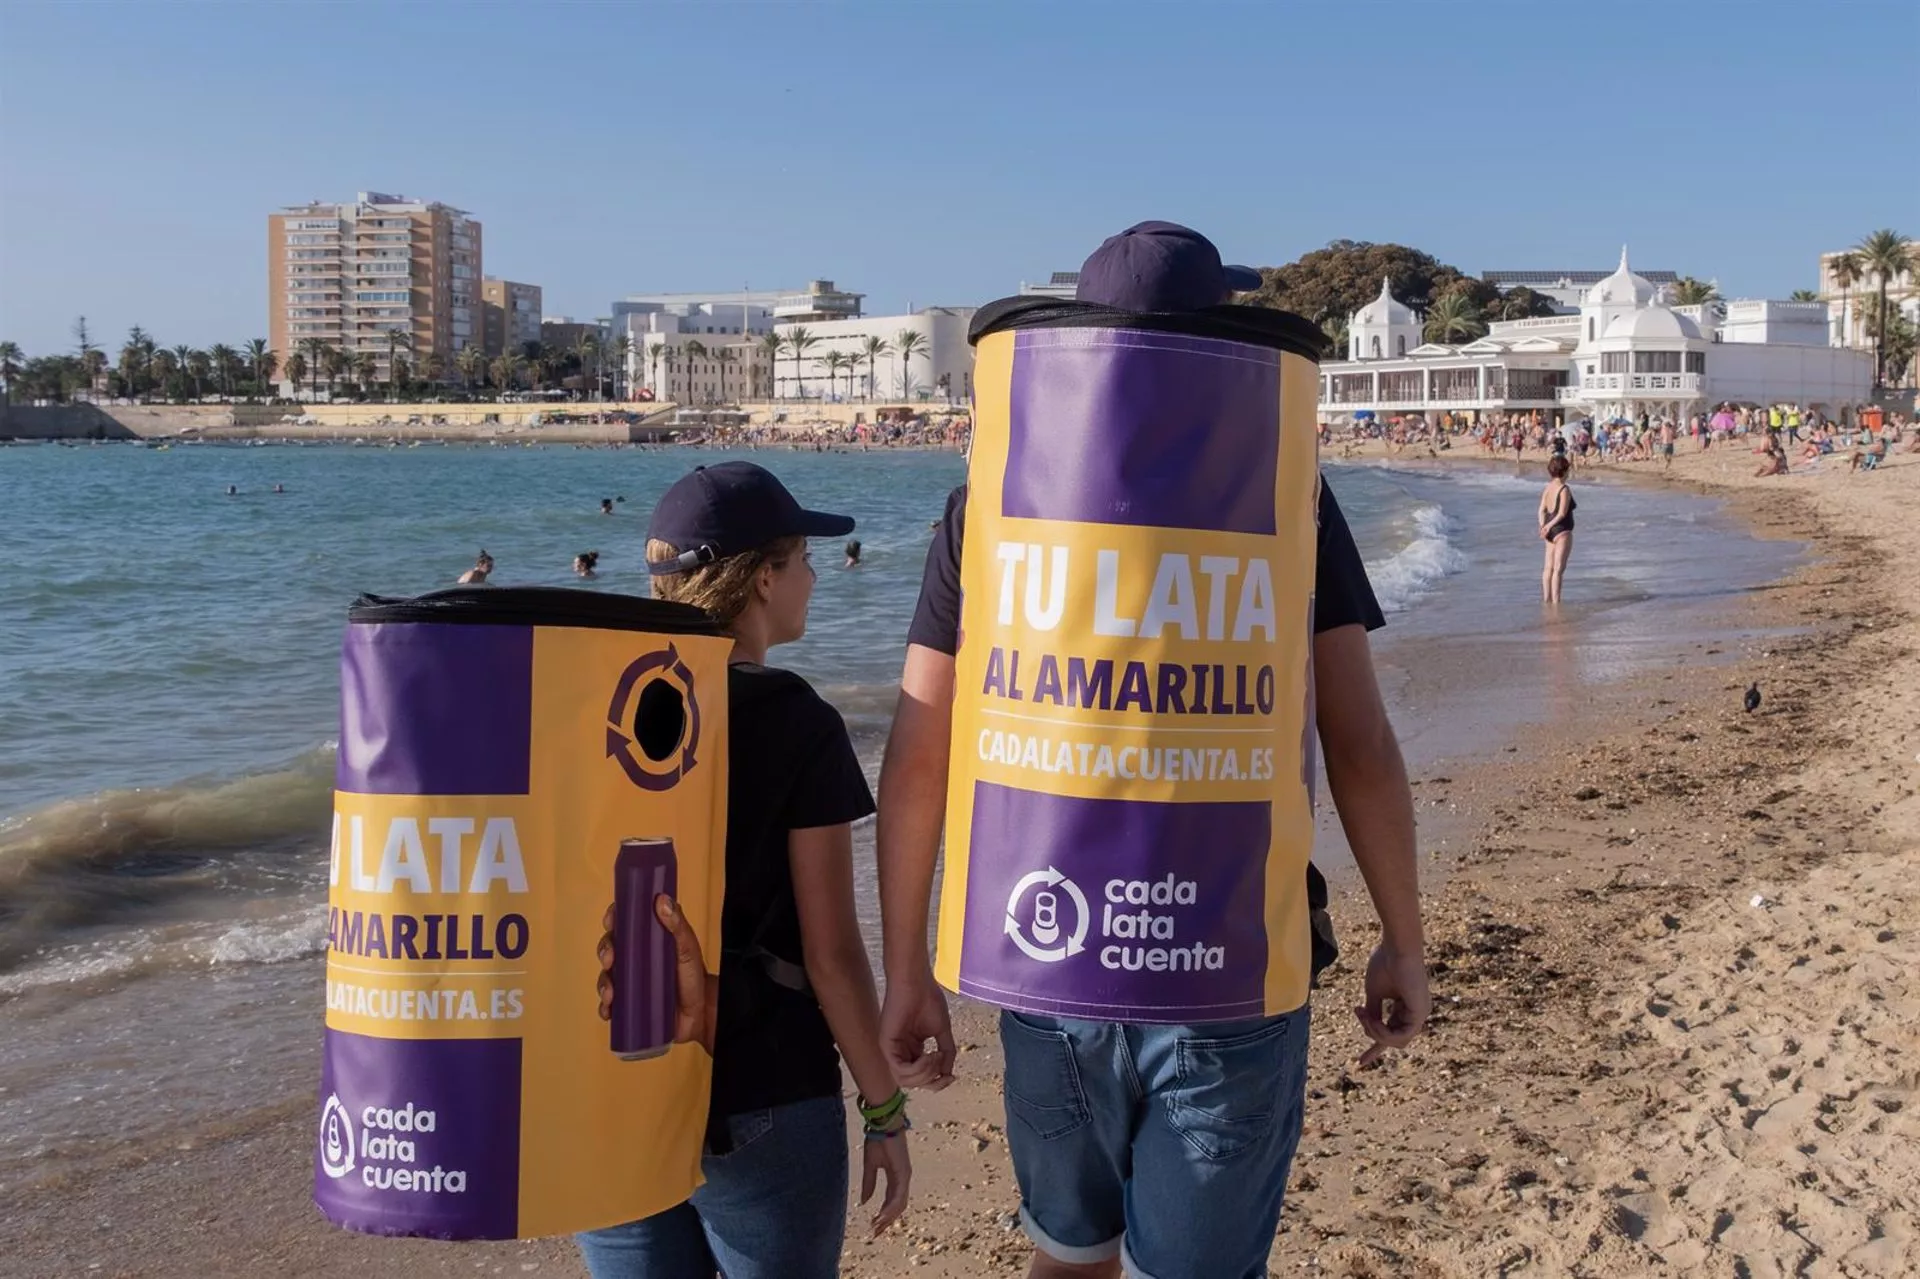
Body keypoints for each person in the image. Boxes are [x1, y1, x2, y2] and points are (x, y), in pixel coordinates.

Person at [874, 222, 1428, 1279]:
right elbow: (1356, 741)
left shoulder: (986, 507)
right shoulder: (1288, 495)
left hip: (1043, 953)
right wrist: (1402, 936)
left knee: (1068, 1258)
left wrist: (910, 967)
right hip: (1230, 958)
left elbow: (918, 756)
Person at [577, 461, 909, 1279]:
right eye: (802, 559)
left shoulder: (590, 707)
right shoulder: (798, 721)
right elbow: (830, 953)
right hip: (762, 1089)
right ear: (763, 577)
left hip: (611, 1088)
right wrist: (884, 1104)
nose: (813, 576)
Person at [1538, 454, 1576, 604]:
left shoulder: (1548, 487)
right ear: (1564, 471)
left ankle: (1546, 599)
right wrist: (1548, 526)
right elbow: (1561, 513)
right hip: (1562, 530)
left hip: (1549, 532)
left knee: (1548, 568)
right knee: (1558, 569)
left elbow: (1541, 510)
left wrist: (1543, 526)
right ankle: (1556, 602)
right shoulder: (1564, 489)